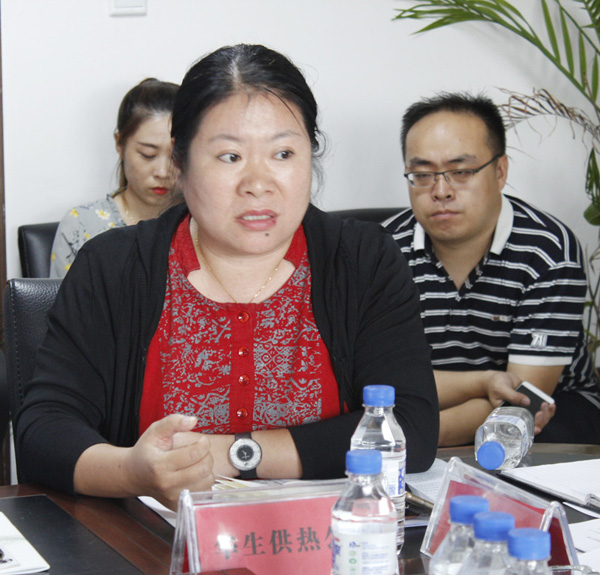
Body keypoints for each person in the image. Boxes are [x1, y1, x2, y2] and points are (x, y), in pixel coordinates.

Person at [17, 44, 439, 510]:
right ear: (180, 164)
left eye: (283, 153)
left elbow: (410, 427)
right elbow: (42, 430)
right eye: (229, 156)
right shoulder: (114, 266)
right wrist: (133, 471)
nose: (258, 183)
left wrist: (236, 454)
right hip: (148, 541)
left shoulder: (362, 260)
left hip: (329, 537)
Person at [384, 92, 600, 447]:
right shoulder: (382, 250)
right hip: (423, 406)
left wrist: (401, 437)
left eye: (461, 172)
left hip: (551, 410)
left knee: (523, 438)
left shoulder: (547, 250)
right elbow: (385, 381)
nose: (441, 191)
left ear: (500, 172)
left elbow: (524, 400)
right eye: (422, 174)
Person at [49, 77, 179, 278]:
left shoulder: (203, 222)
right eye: (147, 154)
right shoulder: (82, 225)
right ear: (120, 144)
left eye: (175, 156)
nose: (162, 172)